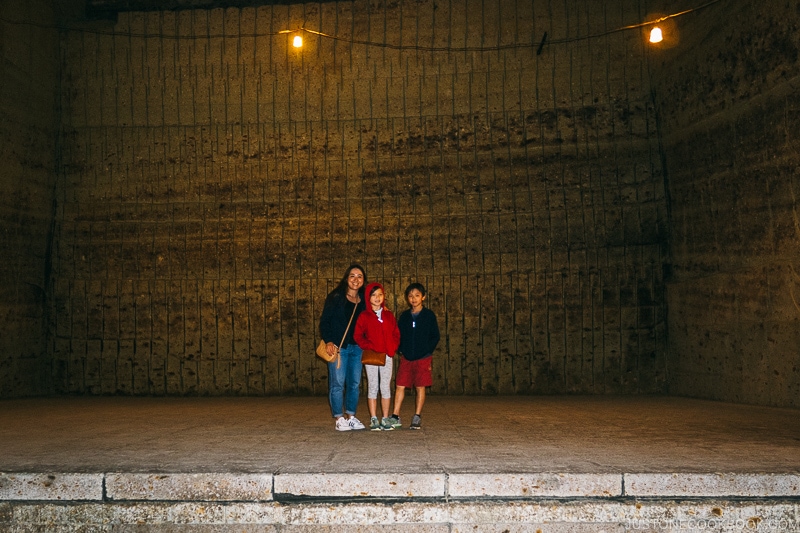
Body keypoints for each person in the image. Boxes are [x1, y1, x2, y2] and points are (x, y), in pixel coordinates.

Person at [319, 264, 368, 431]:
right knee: (337, 383)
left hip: (357, 348)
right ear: (346, 278)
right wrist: (329, 341)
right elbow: (325, 321)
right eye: (352, 276)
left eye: (359, 276)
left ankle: (351, 416)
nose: (356, 279)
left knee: (354, 383)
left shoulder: (364, 300)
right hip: (339, 348)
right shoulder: (336, 297)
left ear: (363, 280)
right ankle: (339, 418)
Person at [389, 282, 440, 430]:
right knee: (400, 385)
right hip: (406, 357)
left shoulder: (429, 315)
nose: (414, 299)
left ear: (423, 297)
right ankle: (395, 416)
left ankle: (417, 416)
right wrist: (400, 350)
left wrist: (427, 350)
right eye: (410, 296)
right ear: (407, 298)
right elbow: (398, 335)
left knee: (420, 386)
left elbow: (435, 336)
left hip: (423, 357)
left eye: (417, 295)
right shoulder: (404, 316)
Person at [353, 282, 401, 431]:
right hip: (372, 356)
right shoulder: (364, 316)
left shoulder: (388, 314)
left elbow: (396, 334)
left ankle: (385, 418)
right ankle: (374, 418)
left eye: (380, 294)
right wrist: (369, 346)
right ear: (368, 297)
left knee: (385, 386)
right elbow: (357, 335)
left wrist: (392, 348)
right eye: (373, 295)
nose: (377, 297)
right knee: (373, 386)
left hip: (387, 355)